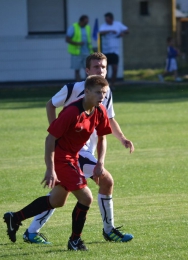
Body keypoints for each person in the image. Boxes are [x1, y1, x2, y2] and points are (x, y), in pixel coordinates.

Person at [22, 52, 134, 244]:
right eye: (97, 67)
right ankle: (108, 230)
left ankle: (31, 230)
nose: (101, 70)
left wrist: (122, 138)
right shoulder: (73, 88)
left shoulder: (104, 91)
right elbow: (50, 104)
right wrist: (57, 133)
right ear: (87, 70)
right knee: (106, 181)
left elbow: (109, 119)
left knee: (60, 193)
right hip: (74, 151)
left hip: (84, 151)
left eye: (104, 67)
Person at [4, 75, 112, 251]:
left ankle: (14, 218)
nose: (102, 96)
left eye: (105, 93)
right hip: (62, 158)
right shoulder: (71, 112)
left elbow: (102, 138)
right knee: (86, 198)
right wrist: (50, 169)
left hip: (73, 157)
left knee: (57, 200)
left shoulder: (100, 111)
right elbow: (50, 139)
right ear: (86, 92)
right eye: (98, 92)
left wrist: (100, 162)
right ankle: (75, 241)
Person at [99, 12, 129, 88]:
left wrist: (123, 33)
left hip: (115, 51)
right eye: (105, 19)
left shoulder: (118, 24)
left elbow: (127, 30)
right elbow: (100, 32)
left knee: (115, 68)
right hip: (106, 51)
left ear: (111, 19)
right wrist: (110, 30)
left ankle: (113, 84)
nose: (106, 21)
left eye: (108, 19)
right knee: (106, 69)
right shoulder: (104, 26)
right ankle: (106, 84)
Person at [66, 15, 94, 81]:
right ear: (81, 21)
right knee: (77, 70)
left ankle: (87, 85)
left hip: (86, 52)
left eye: (87, 22)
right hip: (76, 53)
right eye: (85, 22)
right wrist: (78, 43)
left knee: (88, 69)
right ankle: (78, 86)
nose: (86, 23)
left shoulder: (87, 27)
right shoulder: (73, 27)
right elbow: (67, 39)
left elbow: (88, 40)